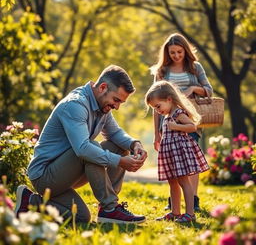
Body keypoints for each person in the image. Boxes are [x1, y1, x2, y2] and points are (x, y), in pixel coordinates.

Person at [14, 65, 147, 224]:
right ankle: (110, 208)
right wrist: (119, 161)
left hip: (67, 174)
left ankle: (29, 201)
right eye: (116, 100)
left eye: (120, 103)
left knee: (82, 217)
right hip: (45, 176)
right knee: (90, 148)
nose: (117, 107)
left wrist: (135, 144)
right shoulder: (76, 105)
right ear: (103, 87)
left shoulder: (102, 106)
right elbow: (83, 149)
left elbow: (115, 133)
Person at [150, 33, 213, 211]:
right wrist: (156, 133)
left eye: (179, 52)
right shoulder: (162, 71)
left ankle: (192, 200)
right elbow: (155, 102)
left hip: (188, 118)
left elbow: (209, 90)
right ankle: (175, 203)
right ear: (167, 53)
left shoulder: (195, 67)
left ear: (185, 50)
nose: (176, 56)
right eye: (172, 53)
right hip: (167, 121)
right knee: (173, 161)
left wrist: (193, 88)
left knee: (190, 162)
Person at [145, 80, 209, 222]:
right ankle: (175, 212)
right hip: (170, 153)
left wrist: (177, 127)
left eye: (158, 106)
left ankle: (190, 214)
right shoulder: (167, 115)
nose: (157, 111)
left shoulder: (178, 113)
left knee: (184, 182)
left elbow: (192, 127)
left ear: (169, 99)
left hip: (179, 152)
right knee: (172, 182)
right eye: (154, 109)